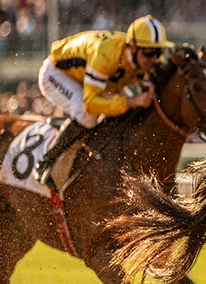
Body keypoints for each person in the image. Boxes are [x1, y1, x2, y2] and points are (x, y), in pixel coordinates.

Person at [32, 15, 168, 190]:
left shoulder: (146, 58)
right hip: (57, 73)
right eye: (148, 53)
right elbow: (91, 104)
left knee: (129, 111)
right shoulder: (106, 55)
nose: (153, 59)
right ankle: (45, 162)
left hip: (100, 79)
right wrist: (132, 100)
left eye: (158, 52)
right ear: (133, 47)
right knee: (86, 114)